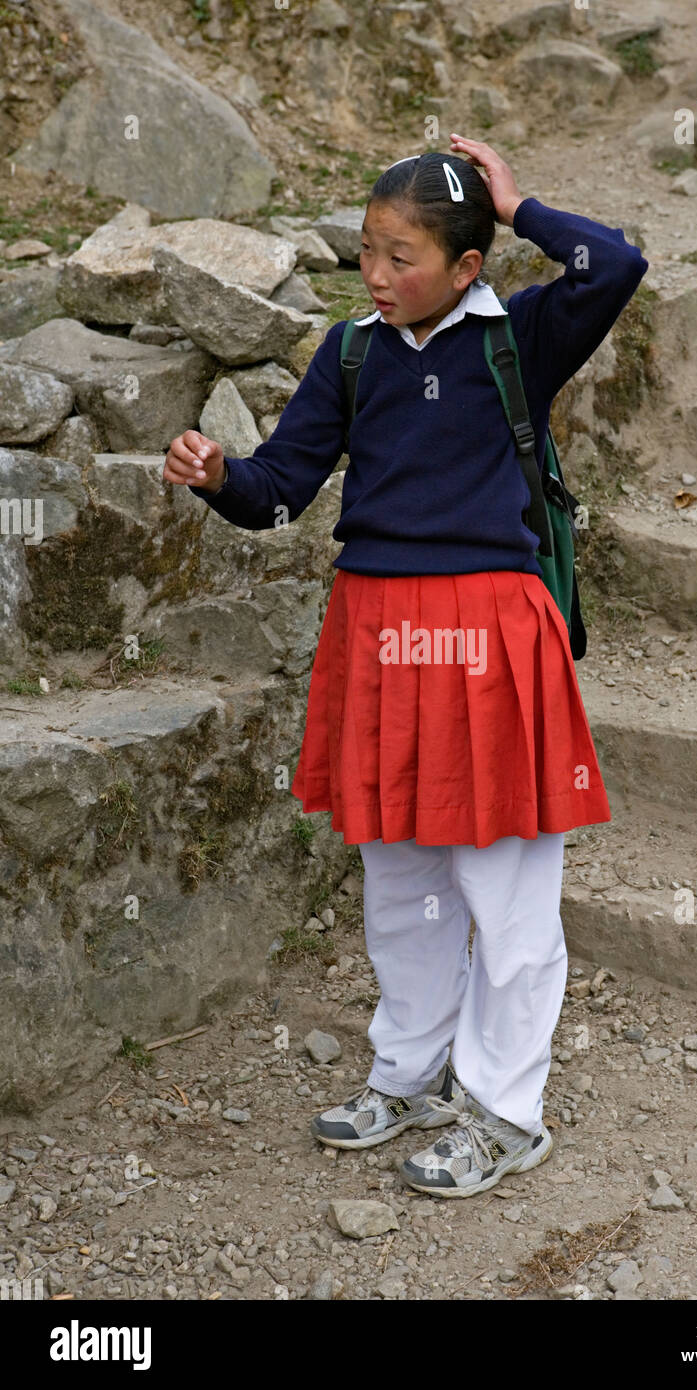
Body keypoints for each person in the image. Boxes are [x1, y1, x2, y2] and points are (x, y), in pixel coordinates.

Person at [164, 134, 648, 1198]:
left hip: (488, 638)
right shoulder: (352, 353)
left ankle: (505, 1112)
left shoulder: (517, 337)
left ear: (465, 267)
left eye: (402, 257)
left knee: (504, 890)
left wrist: (518, 205)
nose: (376, 277)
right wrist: (220, 475)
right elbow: (282, 489)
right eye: (367, 254)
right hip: (377, 633)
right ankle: (411, 1071)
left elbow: (611, 265)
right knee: (401, 883)